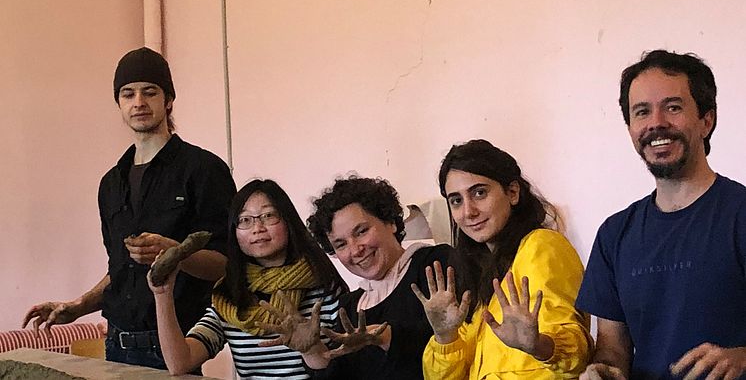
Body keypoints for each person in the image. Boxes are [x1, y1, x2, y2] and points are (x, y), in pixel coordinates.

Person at [21, 47, 236, 369]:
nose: (139, 102)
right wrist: (79, 306)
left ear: (169, 100)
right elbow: (121, 269)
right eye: (128, 93)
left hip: (175, 347)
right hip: (116, 342)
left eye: (150, 91)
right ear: (118, 103)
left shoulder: (203, 169)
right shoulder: (111, 183)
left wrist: (175, 253)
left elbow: (228, 265)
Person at [577, 50, 746, 380]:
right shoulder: (614, 235)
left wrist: (741, 357)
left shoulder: (739, 214)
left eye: (673, 107)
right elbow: (613, 346)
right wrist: (604, 371)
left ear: (706, 120)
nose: (656, 122)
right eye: (642, 112)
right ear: (630, 129)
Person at [416, 139, 591, 379]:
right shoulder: (480, 272)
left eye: (479, 193)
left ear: (513, 192)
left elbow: (576, 351)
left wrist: (539, 345)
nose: (468, 212)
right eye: (456, 200)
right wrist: (445, 337)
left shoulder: (541, 245)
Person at [149, 179, 347, 378]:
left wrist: (312, 349)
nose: (257, 227)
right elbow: (180, 363)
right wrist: (162, 295)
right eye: (245, 220)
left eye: (268, 216)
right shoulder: (229, 296)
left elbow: (350, 367)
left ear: (288, 221)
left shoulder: (325, 288)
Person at [268, 175, 452, 380]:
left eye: (361, 231)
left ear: (390, 222)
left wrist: (386, 336)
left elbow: (457, 344)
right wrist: (312, 351)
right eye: (341, 244)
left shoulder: (434, 263)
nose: (355, 250)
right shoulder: (350, 306)